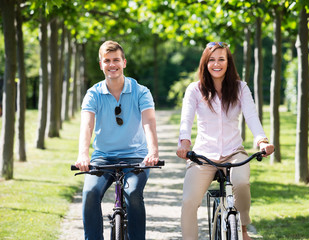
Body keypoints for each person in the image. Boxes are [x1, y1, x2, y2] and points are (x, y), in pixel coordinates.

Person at [176, 42, 275, 240]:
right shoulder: (195, 90)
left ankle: (244, 229)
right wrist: (184, 144)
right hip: (203, 155)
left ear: (228, 63)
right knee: (189, 202)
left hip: (233, 152)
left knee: (241, 183)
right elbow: (186, 120)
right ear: (205, 63)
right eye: (211, 60)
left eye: (221, 59)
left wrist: (262, 141)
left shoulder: (240, 88)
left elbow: (252, 117)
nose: (216, 64)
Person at [75, 40, 159, 240]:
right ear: (101, 64)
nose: (112, 65)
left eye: (116, 60)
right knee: (90, 194)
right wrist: (83, 155)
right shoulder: (93, 94)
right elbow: (86, 125)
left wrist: (153, 151)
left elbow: (149, 121)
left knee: (133, 195)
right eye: (107, 61)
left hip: (136, 158)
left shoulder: (141, 91)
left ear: (124, 62)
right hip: (103, 158)